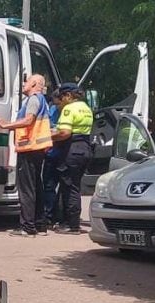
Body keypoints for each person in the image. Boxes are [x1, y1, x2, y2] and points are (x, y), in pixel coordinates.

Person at [0, 74, 52, 237]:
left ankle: (27, 227)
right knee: (36, 187)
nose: (24, 84)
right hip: (37, 148)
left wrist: (6, 125)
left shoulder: (33, 99)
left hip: (30, 148)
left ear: (34, 83)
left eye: (27, 81)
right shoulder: (42, 100)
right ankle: (40, 225)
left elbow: (28, 120)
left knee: (27, 189)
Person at [51, 83, 93, 234]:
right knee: (75, 186)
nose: (60, 101)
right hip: (85, 148)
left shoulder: (69, 108)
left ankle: (72, 225)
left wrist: (47, 135)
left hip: (72, 149)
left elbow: (64, 133)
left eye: (62, 97)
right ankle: (72, 222)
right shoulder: (86, 108)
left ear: (69, 96)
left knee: (70, 187)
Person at [43, 89, 65, 227]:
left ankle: (53, 216)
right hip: (55, 152)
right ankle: (51, 216)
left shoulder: (66, 111)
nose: (56, 105)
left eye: (57, 102)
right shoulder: (52, 109)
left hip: (58, 153)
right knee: (51, 186)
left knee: (53, 186)